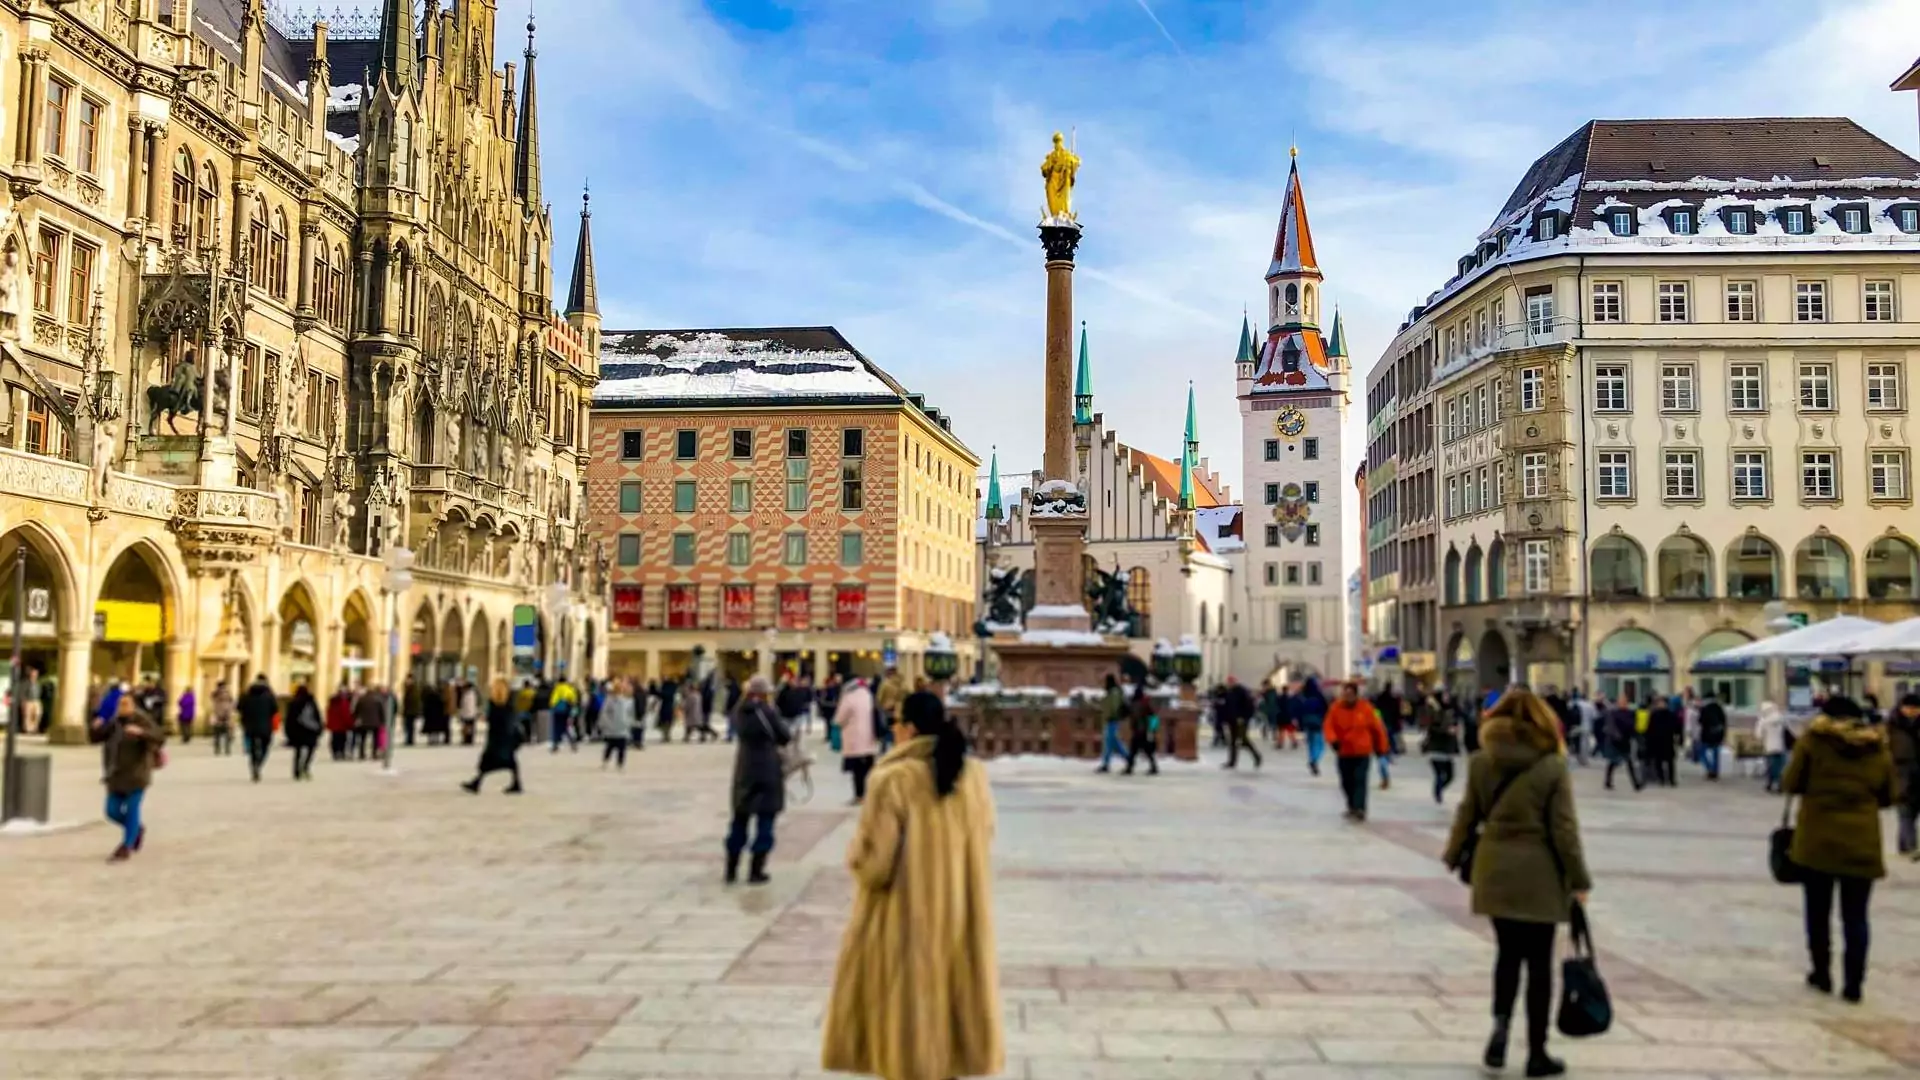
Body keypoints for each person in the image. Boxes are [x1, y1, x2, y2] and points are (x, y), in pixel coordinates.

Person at [821, 690, 1003, 1080]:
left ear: (911, 728)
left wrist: (854, 854)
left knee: (909, 1033)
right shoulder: (972, 776)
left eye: (897, 722)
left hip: (906, 924)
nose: (894, 729)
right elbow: (986, 835)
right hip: (959, 918)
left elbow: (874, 865)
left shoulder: (893, 780)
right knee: (951, 1022)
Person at [1442, 689, 1591, 1078]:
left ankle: (1500, 1028)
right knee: (1539, 963)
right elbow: (1564, 830)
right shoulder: (1553, 766)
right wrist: (1579, 879)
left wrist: (1452, 853)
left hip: (1494, 868)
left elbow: (1466, 814)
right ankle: (1537, 1052)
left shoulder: (1481, 762)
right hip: (1539, 870)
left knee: (1507, 954)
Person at [1782, 695, 1896, 1003]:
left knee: (1818, 911)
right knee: (1856, 916)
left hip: (1817, 840)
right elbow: (1889, 794)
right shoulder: (1877, 747)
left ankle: (1821, 973)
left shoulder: (1813, 742)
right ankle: (1854, 984)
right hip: (1862, 842)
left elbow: (1790, 782)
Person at [726, 675, 791, 884]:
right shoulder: (768, 712)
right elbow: (785, 736)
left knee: (739, 820)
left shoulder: (738, 712)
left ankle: (731, 868)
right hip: (767, 770)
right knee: (765, 821)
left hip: (744, 770)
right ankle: (756, 870)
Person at [103, 695, 166, 862]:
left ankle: (126, 846)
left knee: (132, 809)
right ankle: (136, 829)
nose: (122, 707)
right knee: (112, 811)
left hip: (137, 773)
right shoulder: (115, 722)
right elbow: (99, 738)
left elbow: (159, 736)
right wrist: (96, 725)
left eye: (126, 704)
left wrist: (141, 732)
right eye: (120, 704)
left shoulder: (142, 719)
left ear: (132, 705)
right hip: (116, 775)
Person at [1324, 681, 1388, 821]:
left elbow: (1377, 729)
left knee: (1360, 780)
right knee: (1346, 781)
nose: (1348, 697)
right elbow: (1328, 726)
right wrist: (1333, 740)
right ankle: (1351, 806)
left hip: (1362, 751)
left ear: (1356, 694)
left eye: (1351, 694)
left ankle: (1360, 808)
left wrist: (1381, 748)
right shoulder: (1335, 708)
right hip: (1343, 751)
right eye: (1346, 694)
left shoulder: (1366, 708)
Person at [462, 679, 524, 794]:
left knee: (488, 761)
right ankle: (516, 783)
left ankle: (476, 783)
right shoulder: (509, 702)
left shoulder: (494, 704)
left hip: (497, 737)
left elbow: (492, 720)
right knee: (510, 761)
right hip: (508, 737)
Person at [835, 676, 878, 803]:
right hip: (869, 738)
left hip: (854, 739)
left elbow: (840, 718)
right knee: (868, 769)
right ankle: (870, 794)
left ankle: (859, 795)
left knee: (857, 771)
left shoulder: (849, 697)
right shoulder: (867, 695)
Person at [1889, 694, 1920, 859]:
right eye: (1909, 708)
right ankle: (1912, 846)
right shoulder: (1891, 726)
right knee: (1905, 812)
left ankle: (1903, 845)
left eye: (1915, 708)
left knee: (1912, 813)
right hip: (1900, 775)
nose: (1912, 711)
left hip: (1918, 775)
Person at [237, 674, 279, 783]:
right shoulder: (269, 696)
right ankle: (259, 763)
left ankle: (254, 764)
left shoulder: (246, 695)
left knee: (252, 748)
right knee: (265, 746)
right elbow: (275, 710)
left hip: (250, 725)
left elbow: (239, 707)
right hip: (265, 725)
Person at [1424, 700, 1462, 804]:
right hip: (1436, 751)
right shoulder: (1435, 717)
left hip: (1447, 752)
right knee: (1440, 775)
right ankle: (1438, 792)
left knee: (1449, 776)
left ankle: (1438, 790)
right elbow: (1432, 729)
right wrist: (1447, 731)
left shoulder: (1451, 716)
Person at [1602, 694, 1643, 792]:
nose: (1623, 703)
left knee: (1629, 762)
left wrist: (1636, 737)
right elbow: (1611, 726)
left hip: (1626, 741)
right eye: (1621, 701)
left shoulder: (1631, 713)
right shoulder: (1613, 713)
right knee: (1613, 762)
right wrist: (1616, 736)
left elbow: (1633, 726)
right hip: (1616, 741)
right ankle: (1608, 781)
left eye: (1625, 701)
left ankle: (1636, 783)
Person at [1221, 675, 1263, 770]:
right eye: (1228, 682)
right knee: (1232, 741)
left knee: (1243, 740)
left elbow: (1249, 705)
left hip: (1241, 720)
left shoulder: (1242, 691)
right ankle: (1232, 762)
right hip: (1232, 720)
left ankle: (1257, 756)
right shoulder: (1229, 692)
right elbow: (1227, 706)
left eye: (1231, 682)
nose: (1229, 684)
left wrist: (1243, 717)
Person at [283, 683, 323, 780]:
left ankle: (296, 770)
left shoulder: (293, 703)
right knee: (310, 750)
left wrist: (288, 732)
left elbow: (289, 719)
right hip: (310, 730)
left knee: (298, 752)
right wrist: (319, 729)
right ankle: (305, 767)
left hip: (298, 731)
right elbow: (317, 716)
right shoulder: (311, 702)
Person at [1290, 677, 1329, 776]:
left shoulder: (1302, 695)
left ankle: (1311, 758)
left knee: (1311, 743)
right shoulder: (1319, 695)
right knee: (1319, 744)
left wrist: (1298, 721)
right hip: (1318, 722)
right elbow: (1325, 709)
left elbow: (1297, 708)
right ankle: (1314, 760)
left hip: (1306, 721)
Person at [1121, 680, 1159, 776]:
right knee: (1145, 750)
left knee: (1134, 750)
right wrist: (1153, 729)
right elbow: (1153, 716)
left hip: (1138, 730)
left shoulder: (1134, 704)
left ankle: (1130, 767)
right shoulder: (1145, 704)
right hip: (1144, 730)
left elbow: (1127, 714)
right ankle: (1152, 766)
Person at [1645, 695, 1682, 787]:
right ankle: (1661, 779)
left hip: (1668, 740)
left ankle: (1671, 779)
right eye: (1660, 703)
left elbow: (1677, 727)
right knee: (1658, 761)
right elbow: (1650, 728)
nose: (1661, 705)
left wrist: (1679, 737)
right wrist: (1649, 740)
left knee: (1670, 761)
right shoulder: (1654, 714)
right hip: (1657, 740)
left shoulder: (1671, 714)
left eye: (1663, 703)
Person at [599, 678, 636, 770]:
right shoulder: (609, 700)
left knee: (622, 747)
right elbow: (604, 712)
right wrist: (606, 723)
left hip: (623, 727)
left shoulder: (628, 700)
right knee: (610, 746)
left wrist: (628, 722)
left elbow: (631, 713)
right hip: (612, 727)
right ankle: (606, 761)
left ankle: (620, 763)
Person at [1095, 674, 1128, 773]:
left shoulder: (1113, 692)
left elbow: (1113, 705)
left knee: (1109, 743)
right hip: (1112, 719)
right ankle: (1129, 759)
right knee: (1114, 742)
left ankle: (1106, 764)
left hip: (1112, 719)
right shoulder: (1114, 691)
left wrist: (1111, 714)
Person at [1372, 685, 1403, 789]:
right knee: (1387, 746)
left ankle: (1385, 776)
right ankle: (1389, 755)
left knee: (1381, 754)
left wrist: (1378, 718)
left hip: (1381, 726)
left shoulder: (1379, 699)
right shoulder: (1394, 701)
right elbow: (1397, 715)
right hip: (1389, 726)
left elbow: (1376, 711)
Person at [1756, 700, 1790, 794]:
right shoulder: (1781, 718)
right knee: (1780, 767)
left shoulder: (1763, 720)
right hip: (1781, 746)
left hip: (1769, 747)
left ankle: (1770, 784)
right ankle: (1780, 785)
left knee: (1770, 767)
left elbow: (1758, 735)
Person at [1697, 690, 1729, 781]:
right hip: (1718, 734)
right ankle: (1715, 772)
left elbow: (1700, 721)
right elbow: (1724, 721)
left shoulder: (1704, 708)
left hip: (1706, 734)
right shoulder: (1719, 708)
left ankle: (1710, 768)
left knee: (1702, 753)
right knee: (1716, 754)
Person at [352, 683, 388, 761]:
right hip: (375, 722)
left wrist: (356, 719)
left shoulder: (362, 699)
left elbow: (356, 711)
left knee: (362, 739)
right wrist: (383, 721)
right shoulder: (378, 699)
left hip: (363, 722)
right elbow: (382, 711)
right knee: (374, 739)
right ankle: (374, 753)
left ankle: (361, 753)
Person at [325, 686, 355, 761]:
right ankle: (340, 752)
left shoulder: (332, 702)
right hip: (342, 725)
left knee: (335, 738)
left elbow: (329, 713)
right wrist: (350, 723)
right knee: (342, 739)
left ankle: (335, 752)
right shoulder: (344, 702)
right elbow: (345, 714)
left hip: (334, 725)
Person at [208, 680, 235, 756]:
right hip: (227, 716)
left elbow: (212, 700)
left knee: (217, 734)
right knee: (227, 734)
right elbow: (232, 704)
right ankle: (227, 749)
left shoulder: (216, 694)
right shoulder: (228, 694)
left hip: (218, 715)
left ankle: (217, 749)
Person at [421, 680, 448, 745]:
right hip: (437, 716)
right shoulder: (438, 697)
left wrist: (425, 714)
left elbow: (425, 707)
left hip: (430, 716)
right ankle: (435, 739)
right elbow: (441, 706)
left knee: (430, 729)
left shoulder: (428, 697)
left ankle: (431, 740)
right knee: (436, 729)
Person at [457, 679, 481, 746]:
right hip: (472, 713)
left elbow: (464, 705)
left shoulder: (467, 694)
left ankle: (467, 739)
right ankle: (469, 739)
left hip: (467, 714)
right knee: (470, 727)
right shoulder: (473, 694)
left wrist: (461, 713)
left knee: (467, 727)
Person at [401, 674, 421, 748]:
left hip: (411, 711)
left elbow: (413, 701)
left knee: (410, 726)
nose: (407, 681)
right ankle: (409, 739)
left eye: (408, 680)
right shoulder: (409, 688)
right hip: (408, 711)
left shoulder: (413, 689)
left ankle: (410, 739)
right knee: (408, 726)